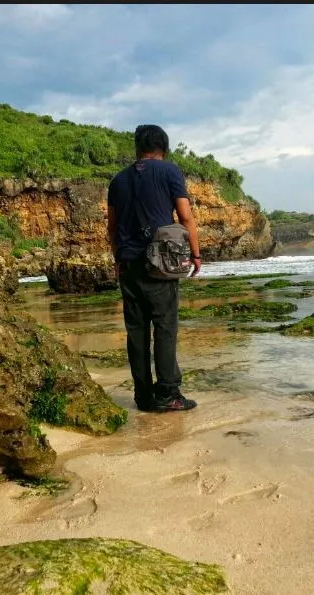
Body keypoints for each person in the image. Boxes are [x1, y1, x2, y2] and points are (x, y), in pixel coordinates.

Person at [106, 124, 201, 412]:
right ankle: (169, 394)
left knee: (136, 332)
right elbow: (185, 217)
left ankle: (143, 396)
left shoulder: (118, 180)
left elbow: (111, 227)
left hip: (128, 263)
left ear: (137, 148)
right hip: (160, 262)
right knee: (164, 327)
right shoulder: (170, 172)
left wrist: (118, 260)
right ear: (164, 146)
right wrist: (195, 255)